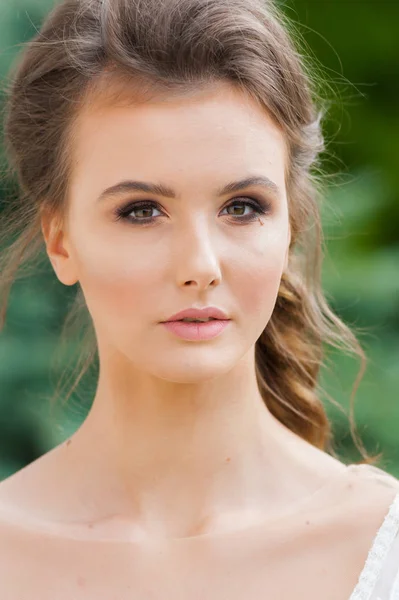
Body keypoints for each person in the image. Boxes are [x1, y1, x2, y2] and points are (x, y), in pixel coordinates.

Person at [0, 0, 398, 597]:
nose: (200, 266)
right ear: (61, 240)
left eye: (242, 207)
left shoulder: (383, 548)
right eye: (141, 211)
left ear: (290, 226)